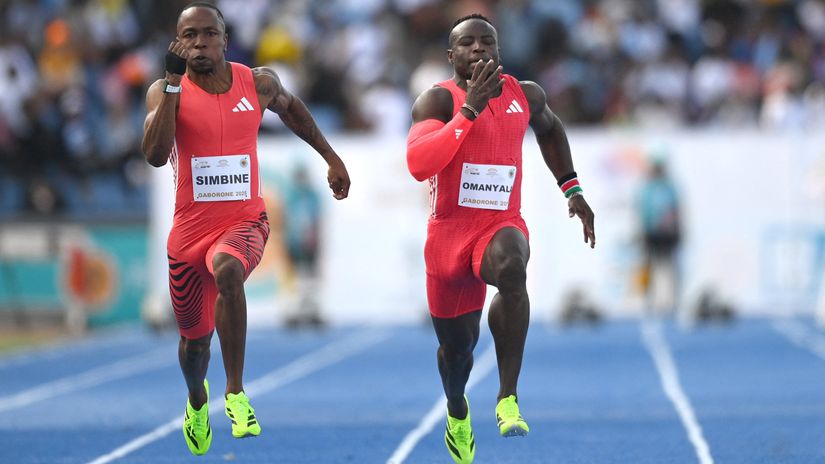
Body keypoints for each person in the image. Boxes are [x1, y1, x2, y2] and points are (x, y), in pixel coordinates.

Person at [141, 2, 350, 456]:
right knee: (193, 346)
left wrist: (331, 157)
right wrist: (174, 86)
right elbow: (156, 155)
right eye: (189, 36)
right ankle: (198, 400)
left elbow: (293, 112)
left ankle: (235, 392)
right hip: (187, 234)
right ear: (177, 43)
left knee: (228, 269)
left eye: (208, 34)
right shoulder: (163, 91)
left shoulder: (257, 82)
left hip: (244, 221)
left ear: (224, 39)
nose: (199, 43)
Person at [406, 13, 595, 464]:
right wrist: (469, 109)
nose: (478, 51)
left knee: (512, 267)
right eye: (467, 45)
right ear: (451, 56)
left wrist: (572, 187)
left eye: (486, 43)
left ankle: (507, 396)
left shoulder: (524, 95)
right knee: (457, 354)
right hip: (448, 237)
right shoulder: (436, 101)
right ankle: (457, 409)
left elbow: (550, 129)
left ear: (498, 49)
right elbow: (419, 164)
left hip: (499, 223)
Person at [635, 157, 681, 316]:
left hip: (667, 233)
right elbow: (643, 211)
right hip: (651, 232)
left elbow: (676, 210)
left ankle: (672, 300)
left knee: (669, 266)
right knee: (649, 266)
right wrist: (642, 231)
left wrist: (677, 229)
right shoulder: (647, 188)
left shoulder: (669, 188)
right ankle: (648, 300)